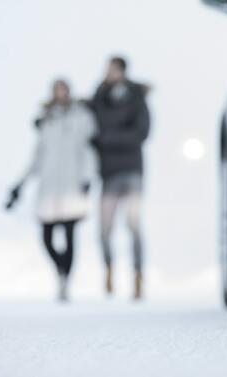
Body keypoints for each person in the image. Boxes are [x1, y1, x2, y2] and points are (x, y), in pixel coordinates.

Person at [6, 79, 97, 301]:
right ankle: (60, 271)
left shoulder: (81, 117)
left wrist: (87, 177)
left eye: (63, 90)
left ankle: (65, 281)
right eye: (57, 90)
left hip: (72, 184)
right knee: (47, 238)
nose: (60, 94)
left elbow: (87, 150)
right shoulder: (47, 121)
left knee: (69, 234)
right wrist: (20, 184)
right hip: (49, 187)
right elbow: (37, 157)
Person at [91, 56, 151, 300]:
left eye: (112, 69)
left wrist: (106, 138)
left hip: (132, 171)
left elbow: (142, 132)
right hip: (108, 173)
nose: (108, 73)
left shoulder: (137, 97)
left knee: (134, 225)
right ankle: (109, 269)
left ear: (123, 71)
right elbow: (89, 128)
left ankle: (137, 275)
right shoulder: (99, 98)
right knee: (104, 228)